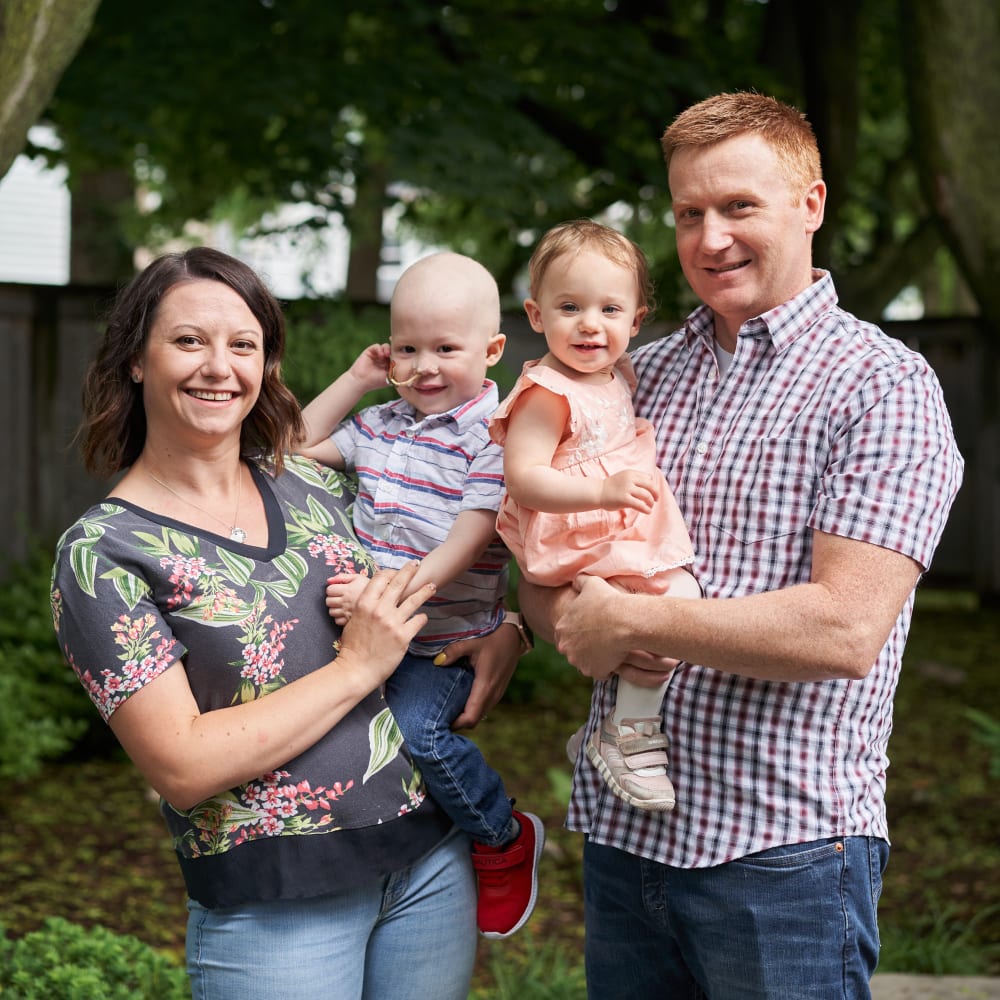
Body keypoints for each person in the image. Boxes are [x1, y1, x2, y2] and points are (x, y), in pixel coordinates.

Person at [520, 92, 964, 997]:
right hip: (625, 841)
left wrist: (634, 618)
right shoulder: (640, 372)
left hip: (781, 856)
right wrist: (561, 615)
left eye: (738, 207)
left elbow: (844, 629)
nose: (710, 237)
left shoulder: (882, 387)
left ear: (811, 204)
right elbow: (548, 556)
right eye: (689, 213)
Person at [49, 247, 524, 999]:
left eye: (243, 345)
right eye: (188, 341)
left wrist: (507, 628)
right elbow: (182, 766)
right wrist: (358, 667)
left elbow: (430, 548)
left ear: (266, 365)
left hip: (430, 862)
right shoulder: (104, 554)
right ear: (136, 359)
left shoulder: (311, 482)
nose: (219, 366)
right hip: (278, 904)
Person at [296, 251, 544, 940]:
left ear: (492, 349)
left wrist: (381, 597)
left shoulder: (497, 437)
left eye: (445, 348)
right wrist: (355, 381)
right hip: (367, 638)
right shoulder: (379, 426)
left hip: (440, 646)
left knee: (416, 735)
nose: (425, 366)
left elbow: (463, 544)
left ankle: (502, 833)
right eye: (407, 348)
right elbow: (291, 446)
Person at [488, 220, 700, 812]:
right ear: (535, 315)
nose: (590, 323)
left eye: (610, 309)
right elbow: (524, 478)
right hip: (576, 529)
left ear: (635, 322)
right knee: (667, 609)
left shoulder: (617, 375)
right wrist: (603, 493)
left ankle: (617, 729)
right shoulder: (546, 392)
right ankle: (627, 735)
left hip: (612, 525)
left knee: (675, 606)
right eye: (570, 306)